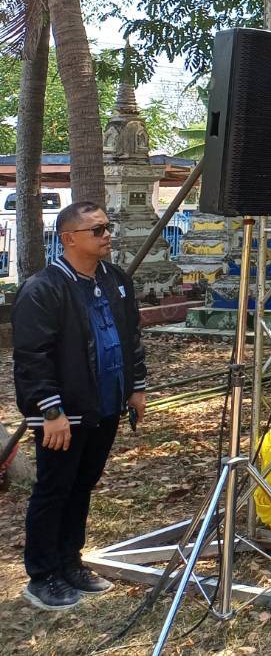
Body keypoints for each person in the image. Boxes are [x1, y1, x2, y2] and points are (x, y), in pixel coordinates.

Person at [12, 201, 148, 610]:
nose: (107, 236)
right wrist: (50, 411)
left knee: (83, 484)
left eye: (108, 227)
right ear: (69, 238)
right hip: (63, 412)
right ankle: (42, 574)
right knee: (54, 489)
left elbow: (131, 337)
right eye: (97, 230)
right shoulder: (44, 289)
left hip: (103, 404)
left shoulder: (116, 280)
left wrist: (136, 387)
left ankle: (70, 561)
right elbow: (32, 356)